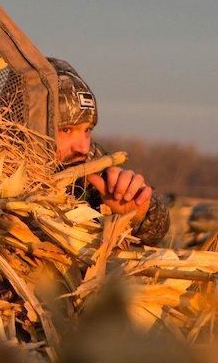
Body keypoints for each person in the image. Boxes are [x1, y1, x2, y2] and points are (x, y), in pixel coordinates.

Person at [49, 57, 170, 243]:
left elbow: (155, 231)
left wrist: (136, 214)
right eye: (66, 130)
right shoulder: (0, 172)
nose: (83, 147)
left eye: (87, 130)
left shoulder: (95, 170)